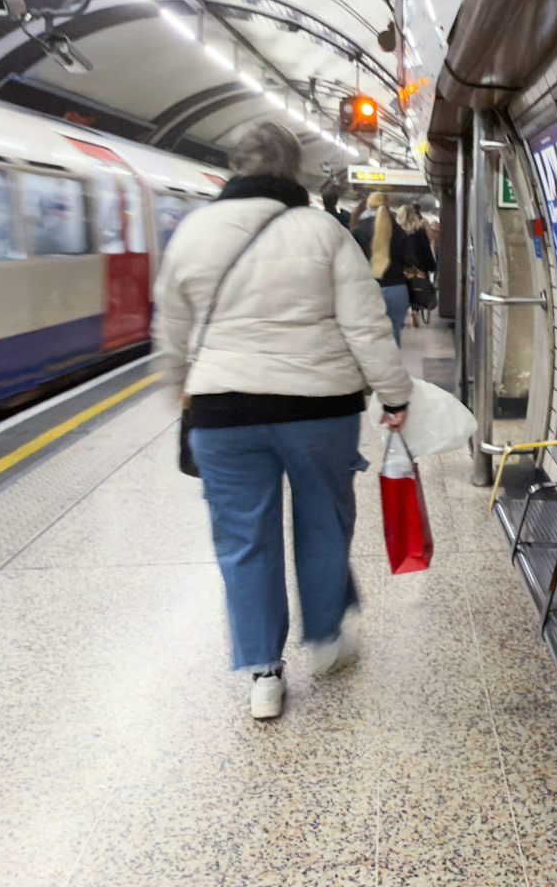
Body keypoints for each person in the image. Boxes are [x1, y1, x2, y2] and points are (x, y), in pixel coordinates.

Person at [153, 121, 413, 721]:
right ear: (293, 172)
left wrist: (180, 393)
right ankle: (325, 642)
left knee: (244, 542)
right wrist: (394, 395)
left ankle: (263, 675)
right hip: (318, 412)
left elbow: (169, 330)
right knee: (323, 522)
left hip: (223, 415)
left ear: (234, 167)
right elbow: (365, 326)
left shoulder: (193, 232)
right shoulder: (323, 231)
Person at [352, 191, 411, 343]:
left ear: (367, 206)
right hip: (397, 289)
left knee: (369, 338)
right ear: (388, 206)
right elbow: (409, 260)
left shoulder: (357, 231)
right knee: (394, 333)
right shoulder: (399, 232)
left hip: (367, 289)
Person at [396, 199, 438, 324]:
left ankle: (405, 310)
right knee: (417, 288)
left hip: (402, 267)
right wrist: (431, 266)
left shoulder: (397, 232)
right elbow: (426, 249)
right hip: (419, 266)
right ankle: (415, 310)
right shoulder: (419, 231)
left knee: (404, 288)